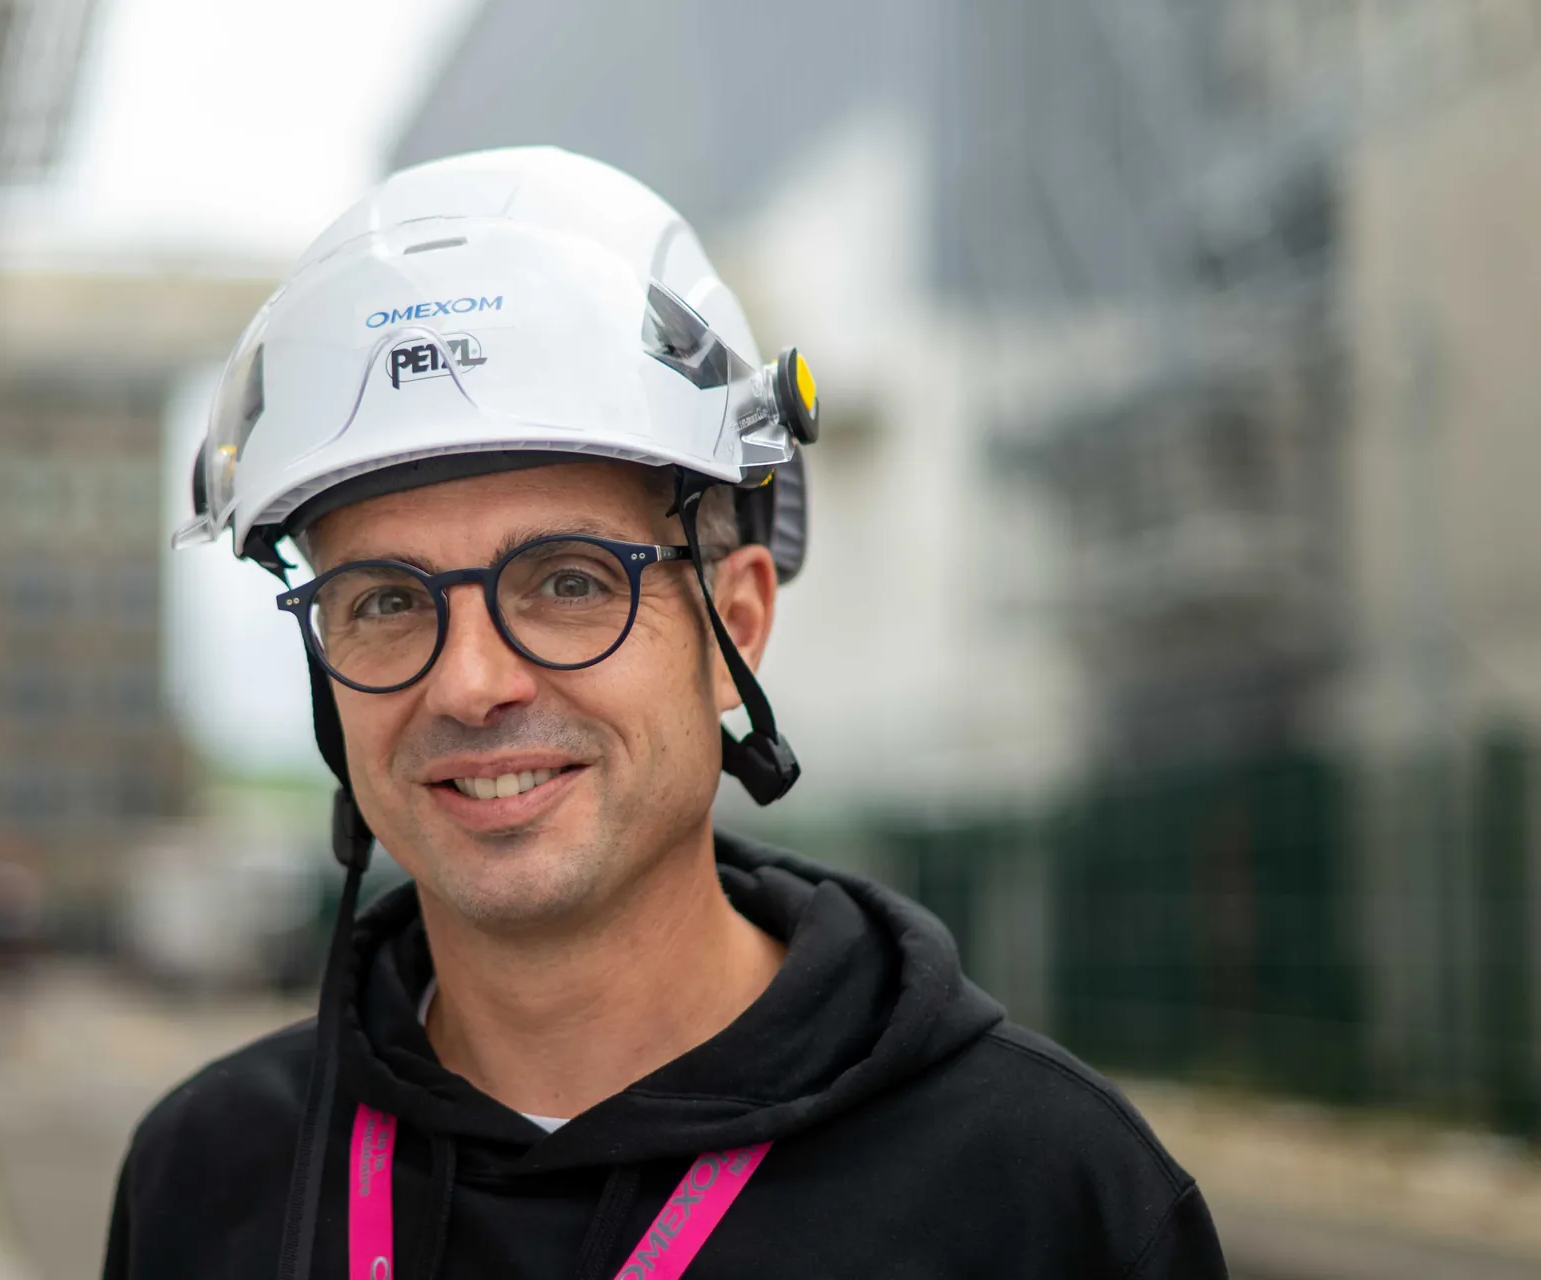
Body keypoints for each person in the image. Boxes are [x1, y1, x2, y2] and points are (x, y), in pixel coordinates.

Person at [104, 147, 1227, 1279]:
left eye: (569, 579)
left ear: (735, 626)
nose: (471, 682)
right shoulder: (208, 1176)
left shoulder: (1043, 1196)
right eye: (387, 601)